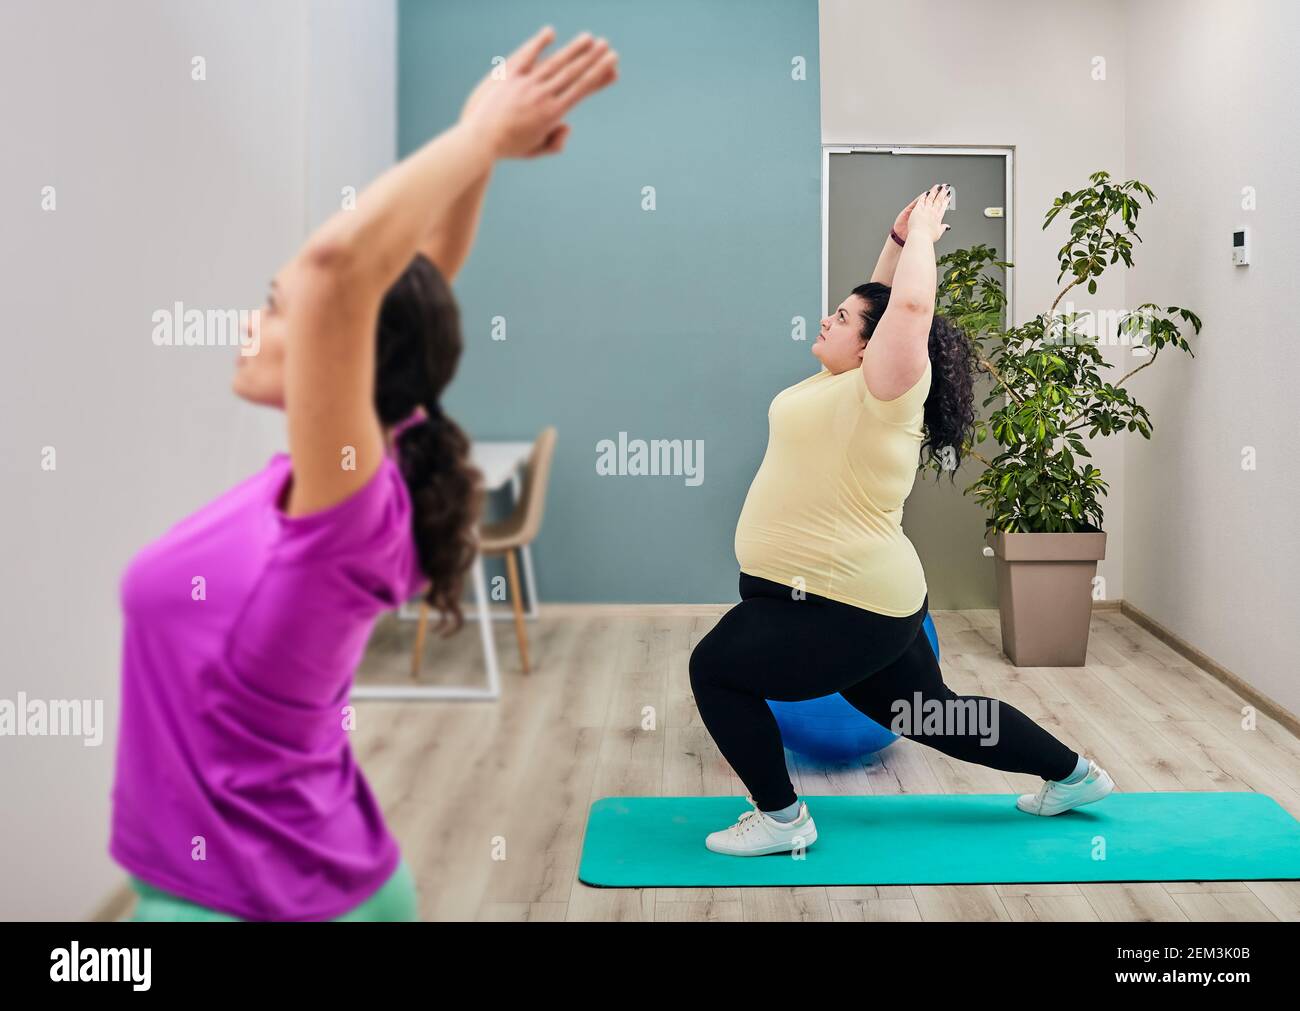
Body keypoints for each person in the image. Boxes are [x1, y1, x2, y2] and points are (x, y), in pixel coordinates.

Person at [110, 27, 619, 919]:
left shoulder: (346, 508)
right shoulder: (354, 465)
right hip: (292, 874)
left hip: (254, 899)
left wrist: (479, 141)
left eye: (278, 311)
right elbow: (412, 295)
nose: (259, 320)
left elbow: (339, 276)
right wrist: (478, 149)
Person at [689, 185, 1114, 857]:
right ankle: (1074, 775)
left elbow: (908, 309)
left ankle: (782, 817)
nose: (827, 319)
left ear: (872, 347)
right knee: (932, 714)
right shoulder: (840, 382)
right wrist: (892, 245)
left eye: (840, 316)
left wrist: (924, 235)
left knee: (715, 667)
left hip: (843, 603)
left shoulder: (884, 393)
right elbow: (884, 300)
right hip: (860, 598)